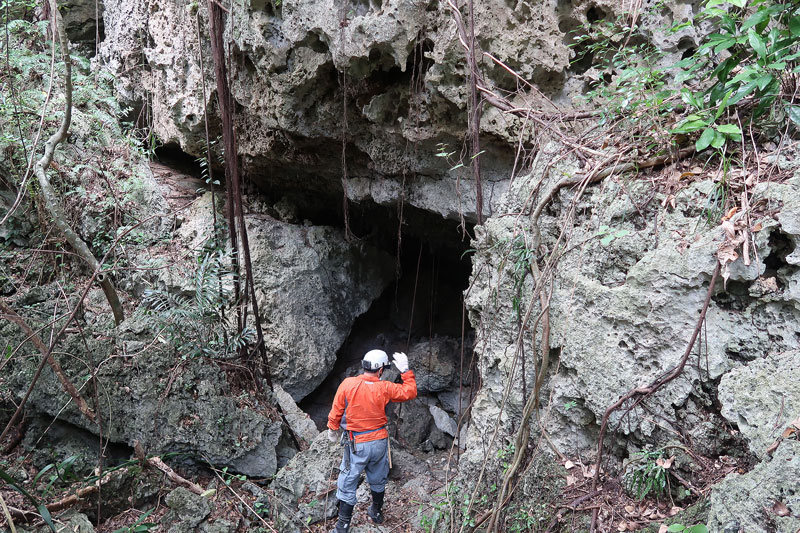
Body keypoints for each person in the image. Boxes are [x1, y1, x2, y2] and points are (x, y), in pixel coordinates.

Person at [326, 349, 417, 532]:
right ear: (381, 370)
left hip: (357, 443)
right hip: (379, 442)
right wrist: (406, 371)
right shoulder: (384, 387)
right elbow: (410, 392)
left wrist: (333, 428)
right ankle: (376, 512)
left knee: (348, 481)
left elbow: (336, 410)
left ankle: (343, 526)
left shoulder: (348, 384)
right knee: (377, 478)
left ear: (364, 365)